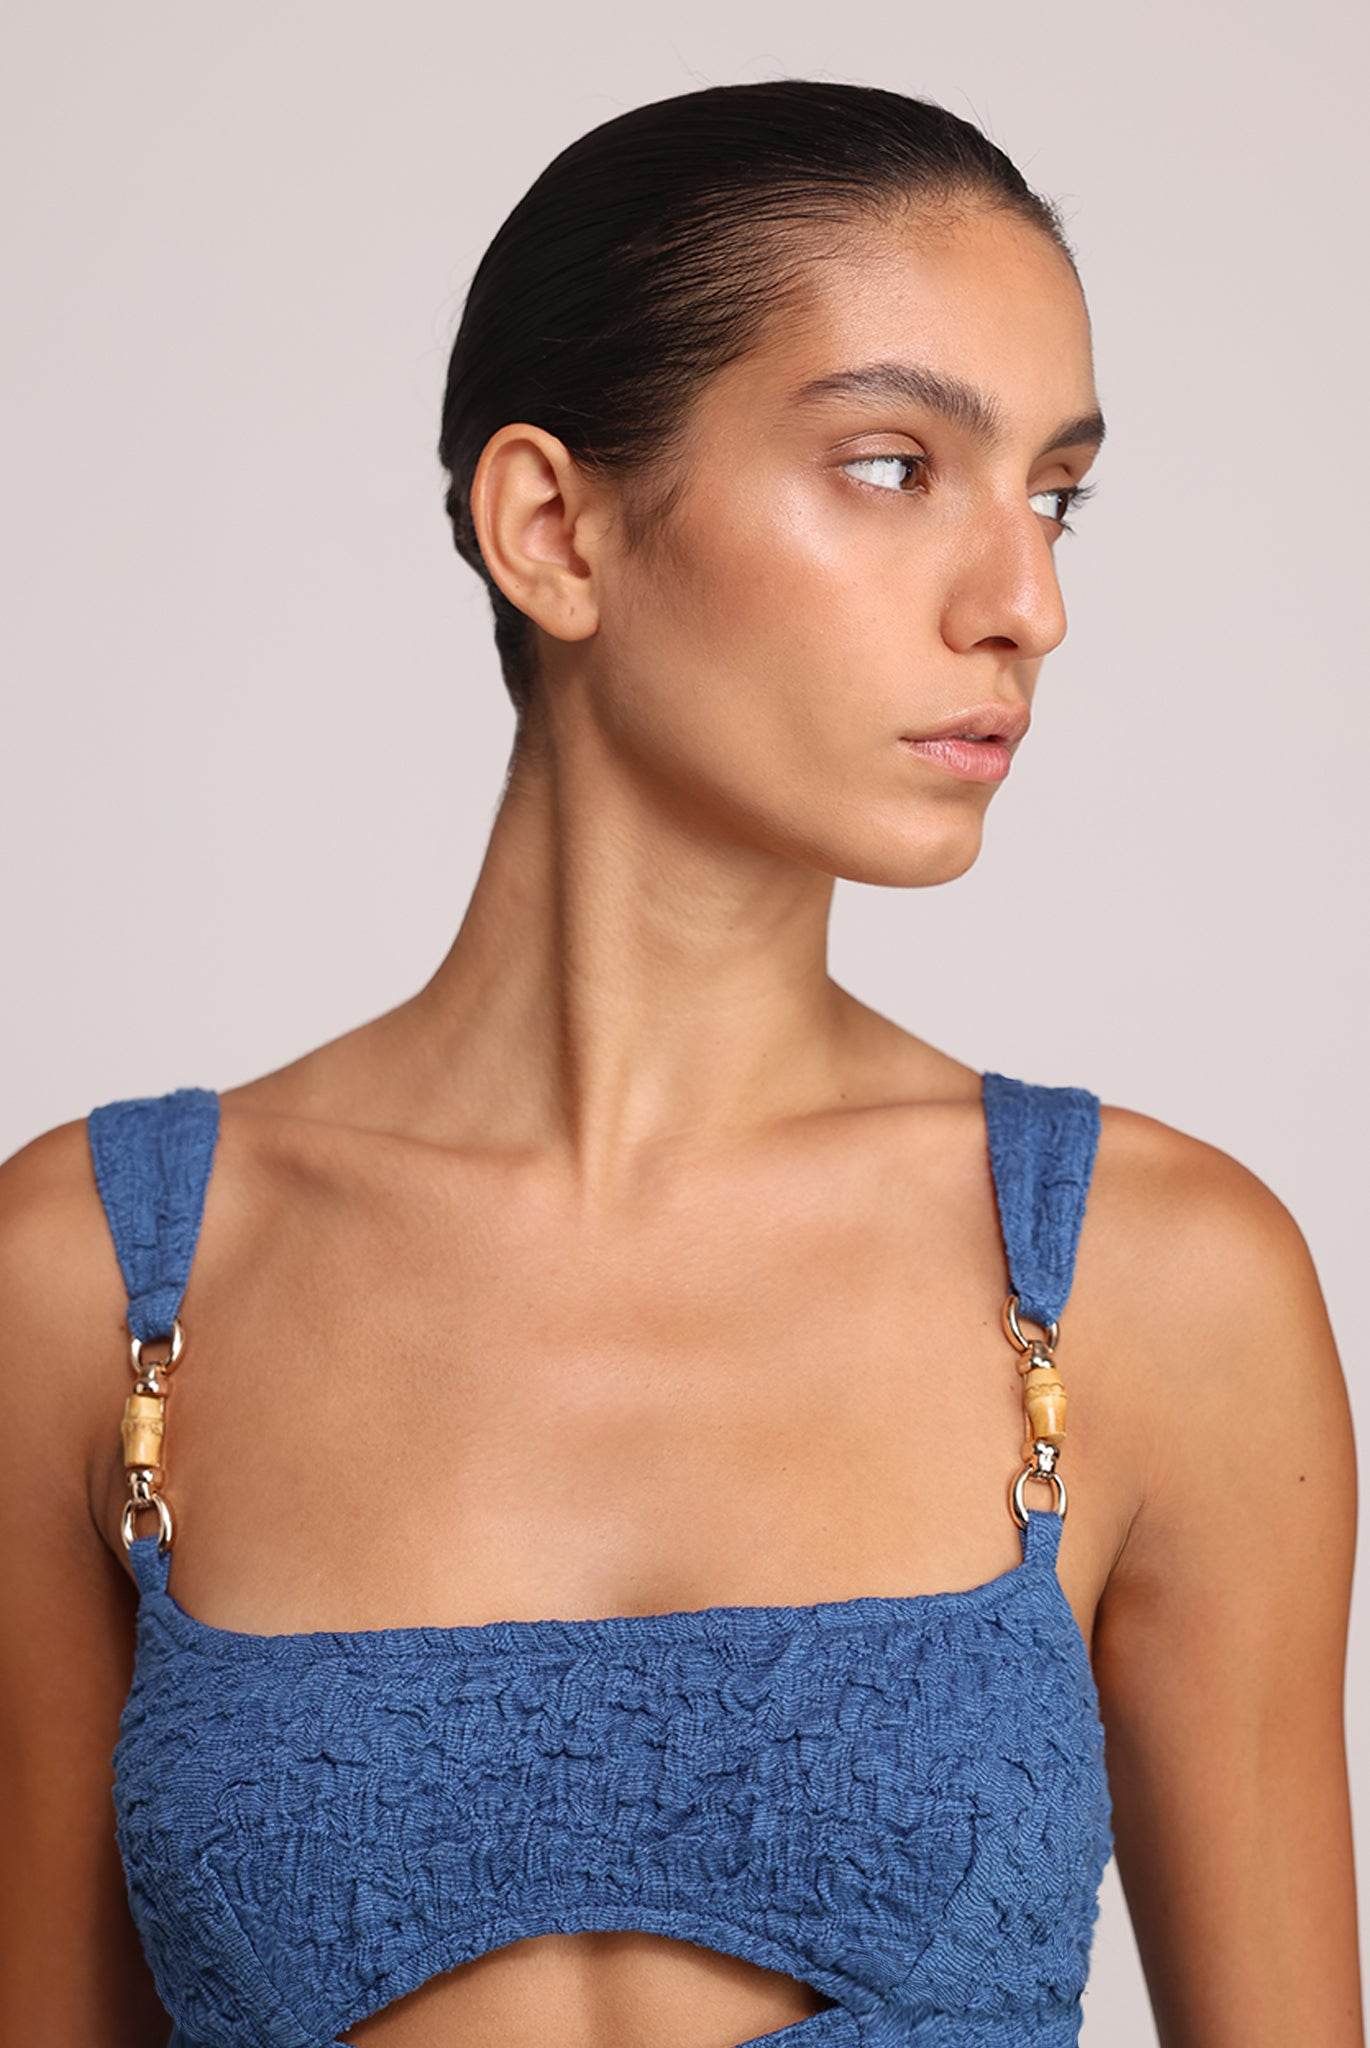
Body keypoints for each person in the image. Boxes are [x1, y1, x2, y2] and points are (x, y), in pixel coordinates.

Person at [1, 76, 1361, 2048]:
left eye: (1052, 493)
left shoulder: (1152, 1286)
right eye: (893, 465)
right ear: (552, 528)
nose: (1026, 604)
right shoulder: (98, 1285)